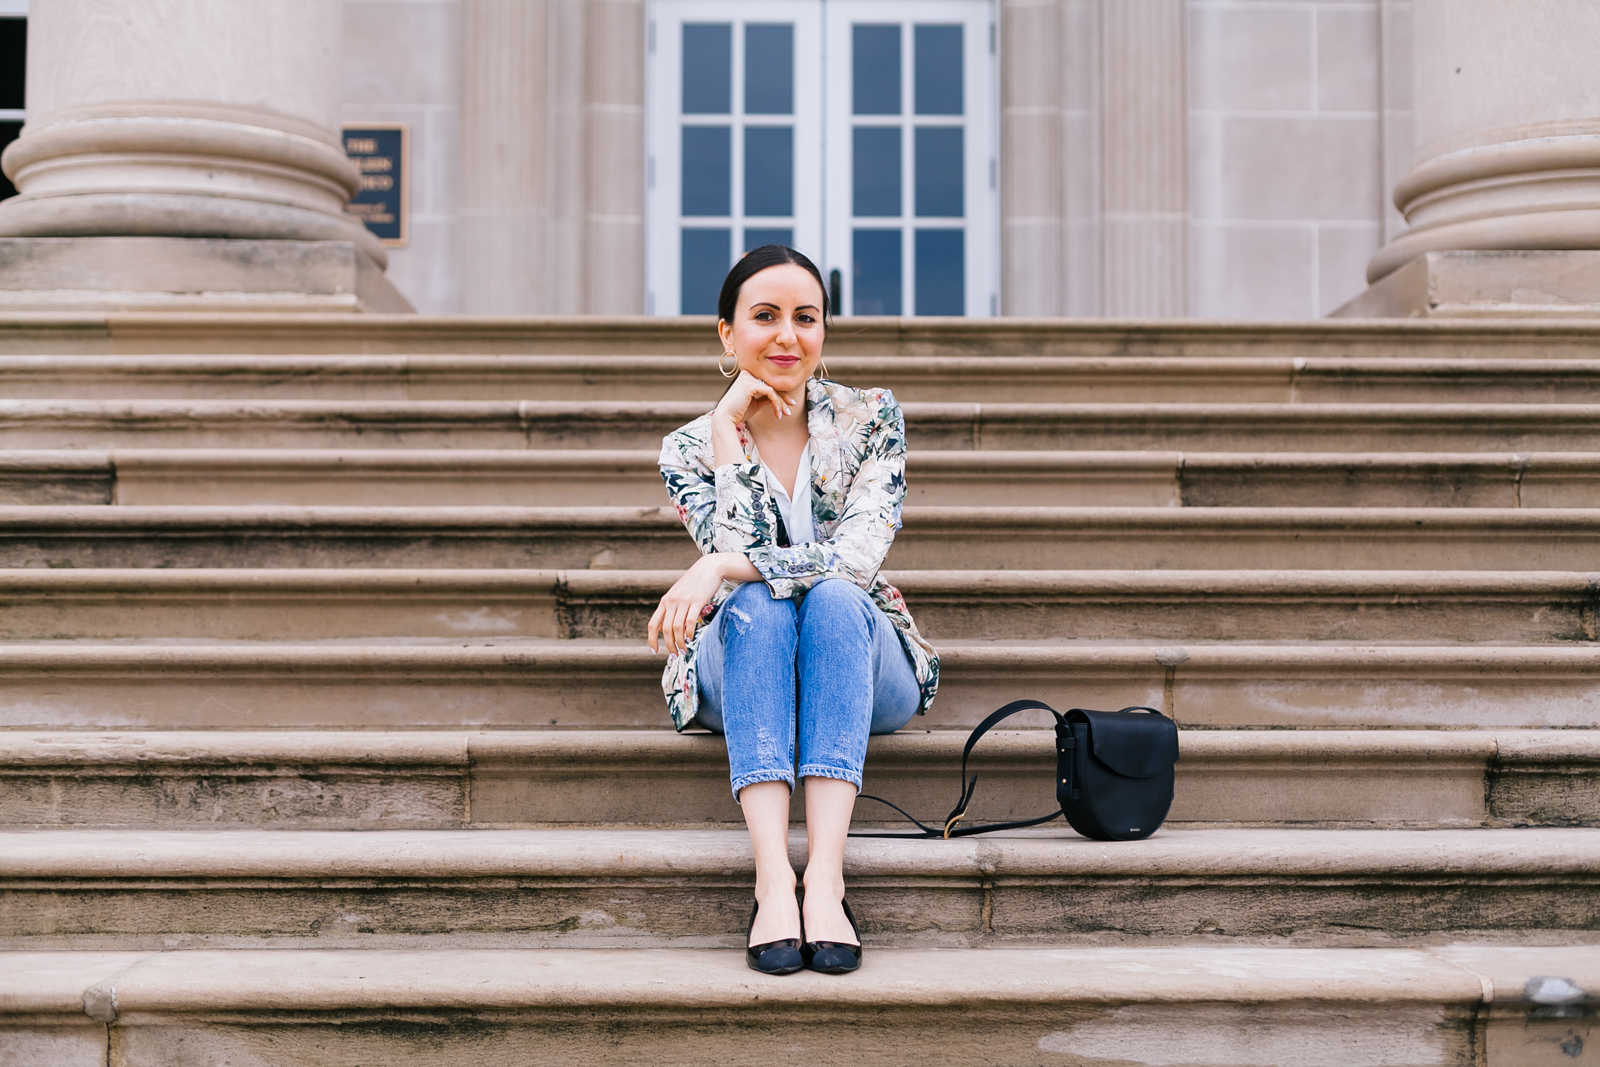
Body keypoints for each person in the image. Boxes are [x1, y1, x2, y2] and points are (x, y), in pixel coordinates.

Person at [649, 245, 940, 976]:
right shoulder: (687, 449)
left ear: (825, 330)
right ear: (727, 333)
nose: (787, 336)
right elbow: (740, 558)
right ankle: (774, 876)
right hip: (746, 658)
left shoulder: (872, 418)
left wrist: (717, 564)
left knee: (836, 598)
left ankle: (829, 878)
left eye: (805, 318)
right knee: (755, 602)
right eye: (765, 316)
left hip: (863, 658)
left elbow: (854, 559)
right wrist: (726, 433)